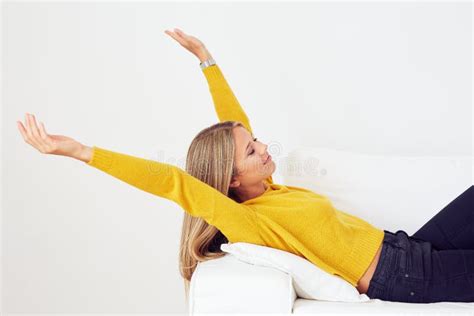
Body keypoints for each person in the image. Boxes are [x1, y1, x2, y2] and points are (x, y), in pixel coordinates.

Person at [16, 28, 473, 304]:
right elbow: (176, 182)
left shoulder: (268, 188)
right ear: (232, 180)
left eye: (256, 142)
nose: (263, 147)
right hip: (403, 277)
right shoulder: (248, 222)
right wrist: (80, 152)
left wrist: (207, 62)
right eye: (253, 151)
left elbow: (235, 126)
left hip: (407, 247)